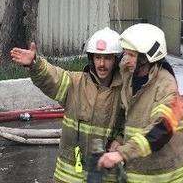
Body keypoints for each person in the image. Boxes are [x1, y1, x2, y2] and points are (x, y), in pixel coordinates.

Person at [10, 28, 124, 183]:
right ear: (91, 58)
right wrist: (35, 64)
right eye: (98, 57)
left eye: (107, 58)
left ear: (116, 60)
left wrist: (120, 140)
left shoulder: (124, 90)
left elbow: (133, 122)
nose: (102, 64)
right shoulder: (75, 83)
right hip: (69, 175)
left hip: (105, 175)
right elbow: (53, 77)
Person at [98, 23, 183, 182]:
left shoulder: (167, 87)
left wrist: (122, 153)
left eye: (132, 55)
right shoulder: (130, 78)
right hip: (141, 175)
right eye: (125, 54)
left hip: (166, 177)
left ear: (147, 57)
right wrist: (120, 140)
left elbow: (162, 128)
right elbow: (133, 120)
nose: (125, 60)